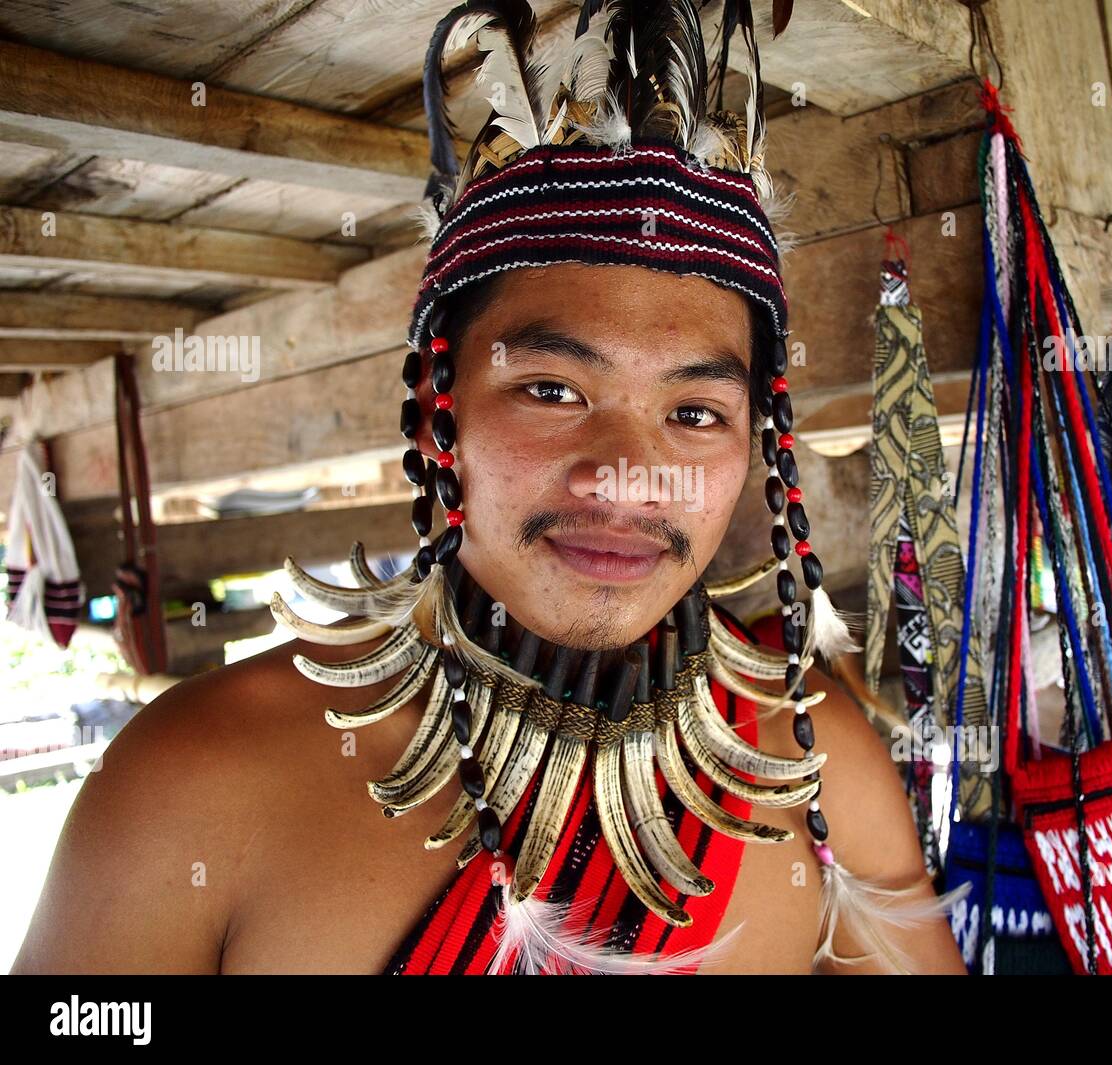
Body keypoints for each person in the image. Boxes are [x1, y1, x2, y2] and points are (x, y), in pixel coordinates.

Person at [12, 0, 967, 975]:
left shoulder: (819, 767)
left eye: (693, 412)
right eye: (551, 389)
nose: (623, 478)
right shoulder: (189, 786)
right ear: (439, 409)